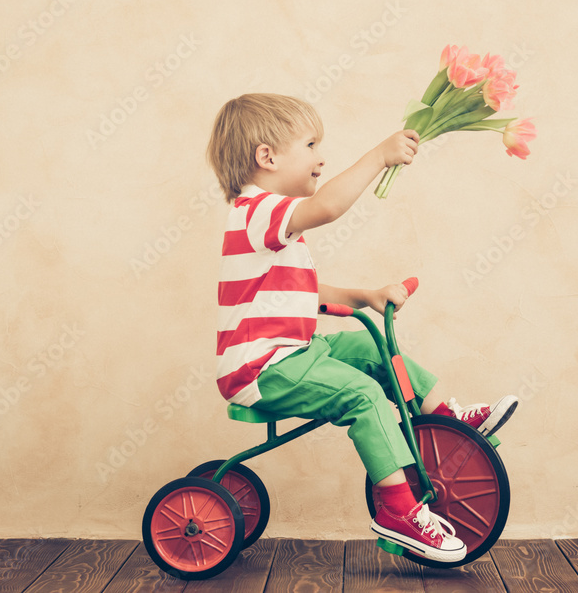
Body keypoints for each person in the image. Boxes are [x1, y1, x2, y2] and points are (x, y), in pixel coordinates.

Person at [206, 93, 518, 563]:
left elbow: (302, 291)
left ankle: (446, 422)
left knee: (367, 350)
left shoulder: (270, 224)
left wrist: (363, 297)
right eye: (311, 145)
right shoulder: (258, 211)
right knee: (364, 394)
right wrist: (379, 155)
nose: (321, 157)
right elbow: (330, 206)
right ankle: (398, 510)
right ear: (266, 158)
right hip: (261, 371)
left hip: (292, 352)